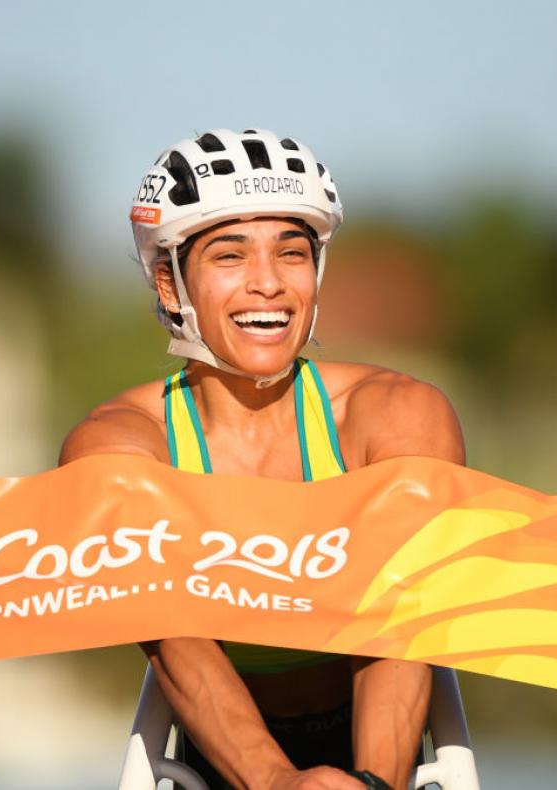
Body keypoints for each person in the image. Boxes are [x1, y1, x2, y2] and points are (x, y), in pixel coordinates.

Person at [60, 129, 465, 790]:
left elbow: (402, 616)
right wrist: (277, 783)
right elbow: (174, 638)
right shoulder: (118, 443)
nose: (269, 284)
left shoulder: (397, 413)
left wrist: (371, 785)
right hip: (218, 753)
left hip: (384, 742)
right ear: (169, 281)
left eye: (293, 253)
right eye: (230, 256)